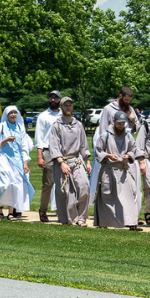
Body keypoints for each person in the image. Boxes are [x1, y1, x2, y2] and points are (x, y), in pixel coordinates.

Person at [93, 111, 146, 230]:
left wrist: (129, 155)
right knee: (108, 198)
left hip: (123, 171)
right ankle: (104, 223)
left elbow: (134, 149)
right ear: (114, 122)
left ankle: (132, 223)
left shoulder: (127, 135)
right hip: (109, 170)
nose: (121, 126)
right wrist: (108, 155)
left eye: (123, 123)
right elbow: (98, 151)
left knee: (129, 197)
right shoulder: (105, 135)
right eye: (119, 123)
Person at [92, 87, 142, 211]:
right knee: (112, 184)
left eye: (130, 100)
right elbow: (103, 130)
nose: (128, 103)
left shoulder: (129, 109)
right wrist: (108, 151)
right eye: (126, 100)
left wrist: (131, 119)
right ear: (120, 96)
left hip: (127, 146)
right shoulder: (108, 109)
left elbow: (136, 129)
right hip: (112, 147)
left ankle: (130, 212)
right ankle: (112, 212)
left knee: (130, 183)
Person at [45, 97, 92, 226]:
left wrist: (87, 161)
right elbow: (54, 146)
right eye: (65, 105)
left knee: (84, 187)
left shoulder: (78, 124)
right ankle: (70, 218)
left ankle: (81, 217)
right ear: (61, 107)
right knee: (66, 192)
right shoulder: (56, 126)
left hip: (77, 161)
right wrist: (61, 163)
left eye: (70, 105)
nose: (68, 108)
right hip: (62, 161)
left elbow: (83, 145)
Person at [0, 106, 34, 220]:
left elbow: (24, 146)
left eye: (15, 112)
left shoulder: (20, 128)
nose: (13, 115)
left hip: (17, 160)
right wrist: (5, 140)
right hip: (2, 158)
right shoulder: (0, 127)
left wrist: (25, 162)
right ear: (6, 114)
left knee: (15, 185)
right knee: (4, 184)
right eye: (11, 113)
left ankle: (11, 212)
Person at [33, 90, 63, 222]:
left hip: (63, 152)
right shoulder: (43, 116)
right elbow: (39, 138)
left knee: (64, 183)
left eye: (55, 98)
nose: (53, 100)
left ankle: (63, 210)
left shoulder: (65, 115)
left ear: (60, 100)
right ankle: (43, 210)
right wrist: (40, 157)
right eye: (51, 97)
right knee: (48, 183)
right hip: (48, 151)